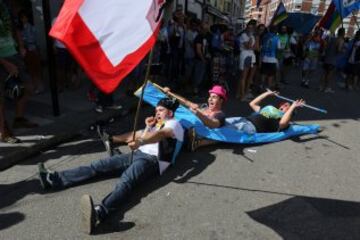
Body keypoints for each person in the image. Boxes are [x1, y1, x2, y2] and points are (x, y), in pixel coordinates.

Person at [38, 97, 184, 234]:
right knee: (99, 165)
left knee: (126, 181)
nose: (157, 112)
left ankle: (100, 212)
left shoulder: (175, 124)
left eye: (161, 110)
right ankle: (54, 179)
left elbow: (161, 135)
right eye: (156, 109)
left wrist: (141, 141)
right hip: (136, 154)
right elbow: (138, 135)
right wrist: (120, 136)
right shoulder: (154, 125)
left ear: (170, 112)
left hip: (152, 161)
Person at [0, 2, 38, 144]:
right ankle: (4, 132)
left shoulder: (4, 5)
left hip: (13, 53)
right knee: (1, 100)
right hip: (2, 59)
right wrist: (6, 63)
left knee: (28, 87)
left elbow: (15, 28)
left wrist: (21, 46)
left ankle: (18, 118)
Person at [226, 90, 305, 134]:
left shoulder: (282, 119)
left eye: (286, 106)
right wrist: (267, 94)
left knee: (222, 131)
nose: (283, 105)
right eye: (282, 104)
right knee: (222, 122)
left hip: (251, 127)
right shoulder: (271, 111)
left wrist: (293, 107)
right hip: (244, 120)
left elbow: (282, 124)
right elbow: (252, 104)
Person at [236, 19, 257, 101]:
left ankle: (239, 94)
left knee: (244, 76)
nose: (251, 29)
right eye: (249, 28)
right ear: (247, 28)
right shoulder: (244, 35)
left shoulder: (252, 36)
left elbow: (255, 47)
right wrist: (251, 40)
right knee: (243, 77)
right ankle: (242, 96)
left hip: (250, 56)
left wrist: (251, 40)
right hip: (245, 56)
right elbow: (248, 46)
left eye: (252, 28)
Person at [321, 28, 346, 93]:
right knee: (329, 74)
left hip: (327, 58)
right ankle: (327, 88)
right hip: (333, 60)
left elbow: (327, 47)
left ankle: (321, 86)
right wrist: (343, 50)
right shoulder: (340, 40)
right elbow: (338, 50)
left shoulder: (332, 39)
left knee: (324, 73)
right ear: (343, 33)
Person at [260, 25, 281, 90]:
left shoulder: (265, 36)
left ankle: (261, 86)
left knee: (263, 73)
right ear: (275, 30)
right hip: (272, 58)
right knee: (270, 74)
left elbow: (261, 45)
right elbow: (279, 48)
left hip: (264, 58)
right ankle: (268, 88)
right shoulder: (277, 38)